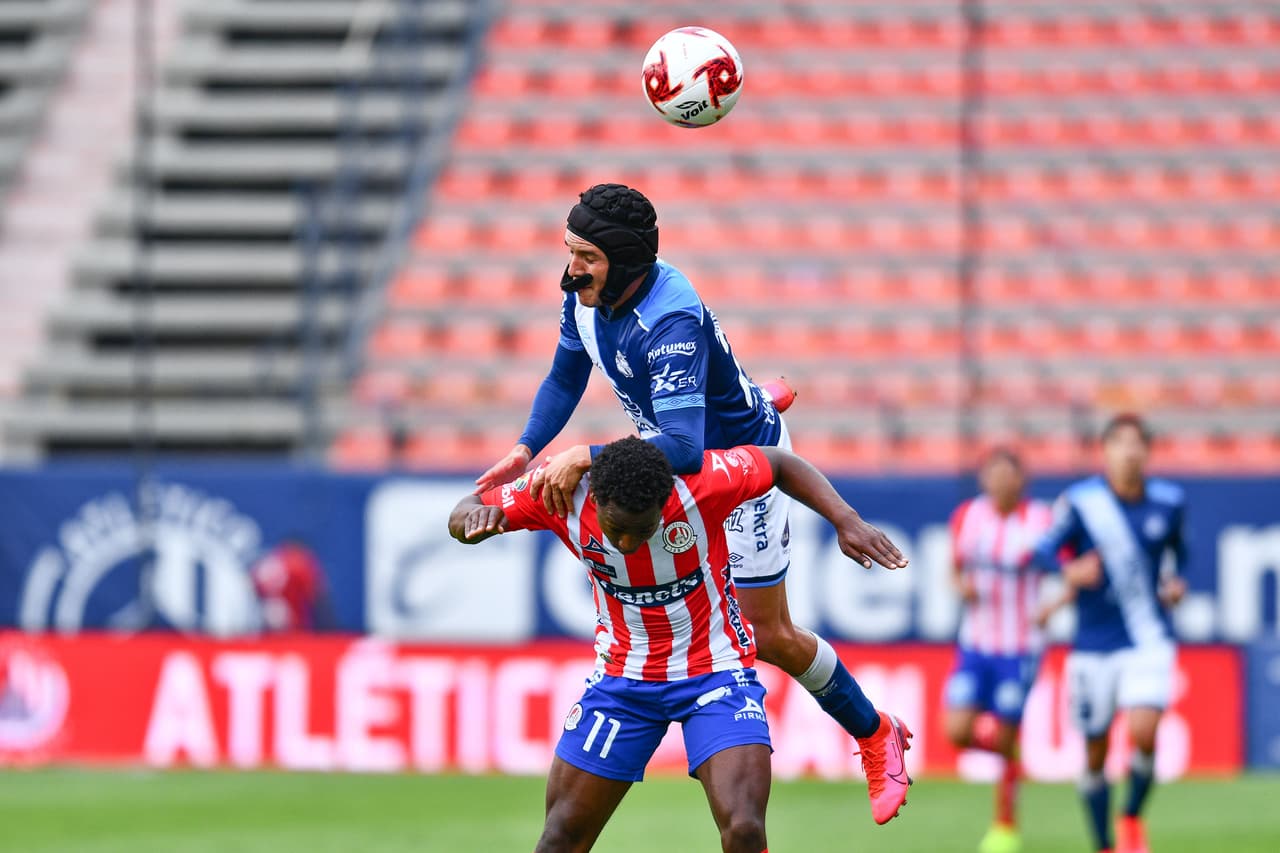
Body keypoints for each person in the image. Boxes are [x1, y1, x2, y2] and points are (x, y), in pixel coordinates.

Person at [474, 183, 913, 823]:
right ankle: (737, 389)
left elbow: (681, 444)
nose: (571, 269)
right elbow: (566, 374)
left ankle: (876, 732)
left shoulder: (669, 317)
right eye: (569, 251)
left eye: (585, 257)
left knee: (764, 634)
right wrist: (525, 447)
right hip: (677, 456)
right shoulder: (588, 296)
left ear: (624, 263)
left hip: (741, 465)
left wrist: (585, 454)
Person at [452, 437, 910, 853]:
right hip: (622, 682)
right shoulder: (558, 494)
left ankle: (871, 729)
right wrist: (474, 517)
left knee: (745, 828)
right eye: (616, 530)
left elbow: (779, 464)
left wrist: (845, 520)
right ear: (595, 498)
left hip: (715, 673)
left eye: (642, 529)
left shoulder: (702, 485)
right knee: (559, 838)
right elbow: (461, 512)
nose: (628, 543)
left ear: (665, 499)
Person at [1032, 414, 1188, 853]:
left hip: (1148, 638)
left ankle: (1133, 816)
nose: (1129, 452)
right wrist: (1068, 570)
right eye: (1120, 443)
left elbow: (1179, 556)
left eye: (1137, 443)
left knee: (1144, 731)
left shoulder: (1170, 503)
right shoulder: (1083, 503)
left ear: (1148, 451)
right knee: (1096, 752)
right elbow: (1041, 550)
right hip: (1093, 644)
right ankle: (1103, 843)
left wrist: (1175, 585)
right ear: (1105, 451)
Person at [944, 448, 1054, 853]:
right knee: (956, 731)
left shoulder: (1042, 521)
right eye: (994, 475)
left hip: (1021, 647)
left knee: (1006, 732)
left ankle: (1005, 826)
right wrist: (961, 587)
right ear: (984, 480)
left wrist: (1053, 606)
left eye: (1010, 475)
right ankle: (1014, 755)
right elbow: (953, 567)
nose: (1002, 482)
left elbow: (1072, 569)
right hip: (975, 643)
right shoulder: (969, 517)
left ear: (1021, 481)